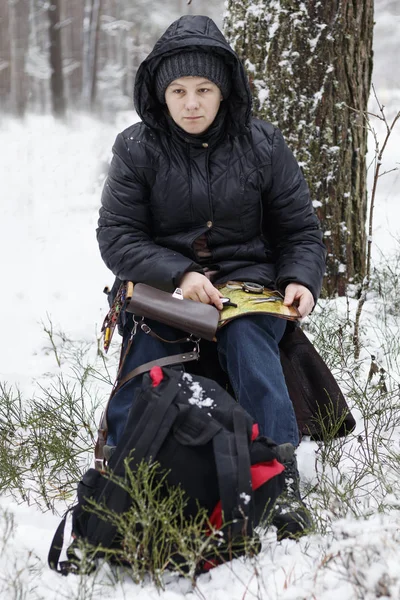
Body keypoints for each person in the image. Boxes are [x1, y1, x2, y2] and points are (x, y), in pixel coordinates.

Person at [97, 15, 326, 537]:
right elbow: (117, 236)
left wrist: (300, 279)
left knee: (248, 342)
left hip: (249, 285)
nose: (191, 102)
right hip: (163, 290)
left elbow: (300, 232)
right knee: (154, 356)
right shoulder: (136, 148)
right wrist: (179, 273)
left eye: (203, 88)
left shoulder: (263, 144)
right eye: (178, 90)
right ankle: (127, 480)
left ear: (224, 90)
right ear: (161, 94)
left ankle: (280, 485)